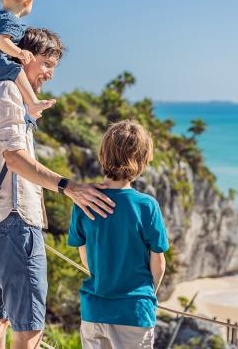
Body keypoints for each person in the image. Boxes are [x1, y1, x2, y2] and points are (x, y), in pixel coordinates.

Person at [0, 28, 116, 349]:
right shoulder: (7, 91)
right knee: (29, 329)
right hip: (14, 222)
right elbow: (14, 159)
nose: (49, 74)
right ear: (24, 56)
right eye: (47, 64)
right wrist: (67, 186)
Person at [68, 120, 169, 349]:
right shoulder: (146, 206)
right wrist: (146, 296)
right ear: (141, 160)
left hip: (94, 310)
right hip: (133, 312)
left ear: (103, 154)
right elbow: (159, 264)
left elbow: (86, 259)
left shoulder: (84, 202)